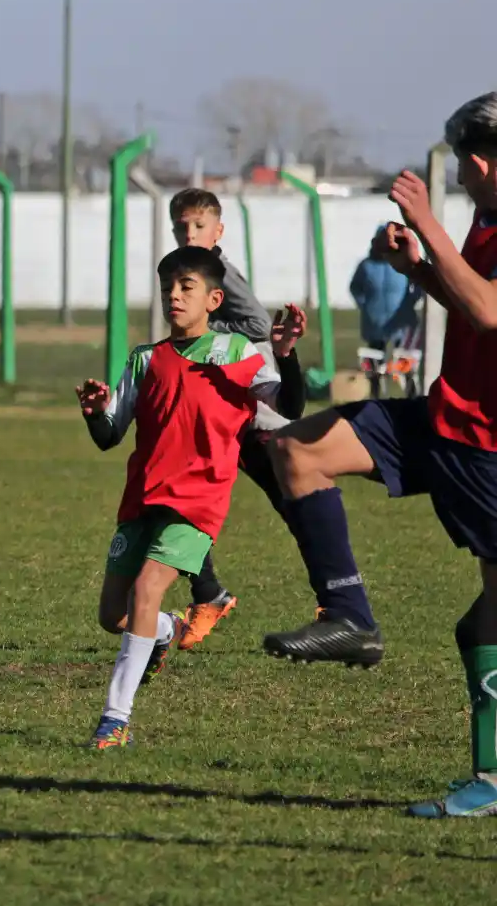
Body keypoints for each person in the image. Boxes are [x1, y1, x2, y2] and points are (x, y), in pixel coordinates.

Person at [264, 92, 497, 818]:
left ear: (485, 159)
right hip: (441, 421)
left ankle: (490, 781)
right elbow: (475, 305)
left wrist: (424, 221)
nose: (459, 174)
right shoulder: (485, 221)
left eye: (463, 160)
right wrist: (421, 268)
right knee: (296, 449)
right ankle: (350, 616)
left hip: (488, 449)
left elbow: (490, 311)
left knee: (488, 624)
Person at [77, 246, 304, 749]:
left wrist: (285, 357)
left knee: (146, 588)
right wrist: (96, 412)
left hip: (198, 502)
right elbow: (109, 436)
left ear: (214, 298)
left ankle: (115, 717)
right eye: (167, 288)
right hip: (142, 499)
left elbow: (289, 404)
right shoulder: (145, 358)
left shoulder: (238, 353)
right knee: (113, 615)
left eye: (186, 287)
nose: (174, 296)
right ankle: (164, 632)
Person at [167, 189, 309, 648]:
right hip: (218, 410)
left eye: (199, 227)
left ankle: (337, 597)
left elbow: (256, 325)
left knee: (295, 506)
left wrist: (202, 331)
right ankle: (207, 593)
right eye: (182, 227)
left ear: (218, 231)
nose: (190, 234)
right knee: (180, 498)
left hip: (255, 409)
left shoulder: (220, 272)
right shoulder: (183, 273)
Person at [350, 224, 422, 397]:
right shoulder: (366, 266)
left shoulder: (404, 263)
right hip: (375, 325)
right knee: (375, 364)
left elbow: (419, 284)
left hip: (401, 324)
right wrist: (365, 306)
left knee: (405, 362)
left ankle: (412, 396)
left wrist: (411, 301)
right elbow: (355, 287)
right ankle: (376, 395)